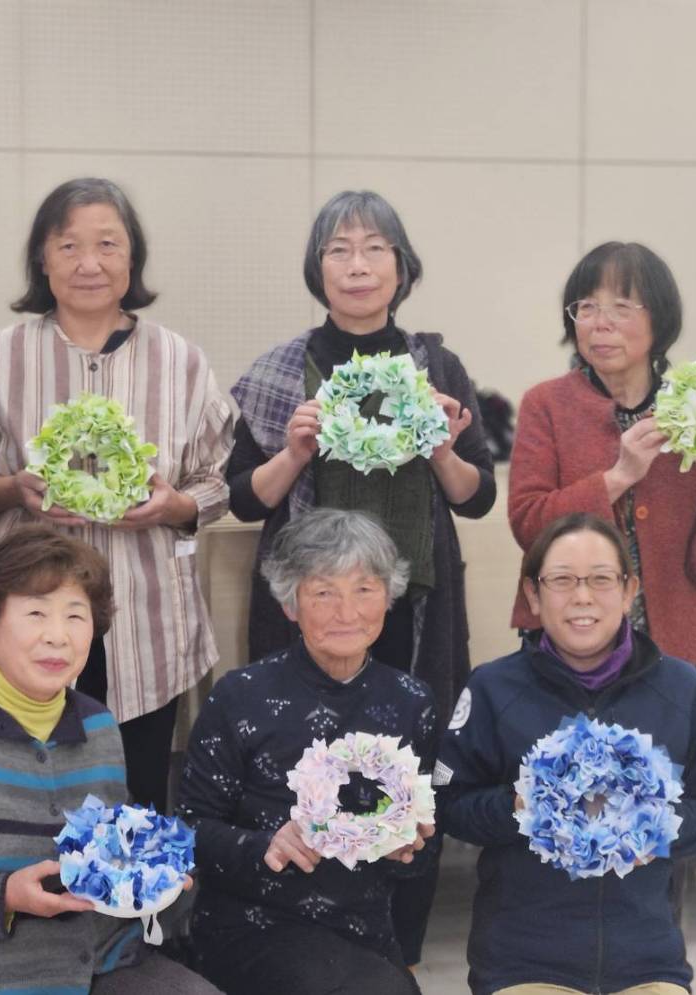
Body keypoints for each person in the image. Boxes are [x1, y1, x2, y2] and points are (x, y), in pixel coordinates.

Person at [226, 189, 494, 965]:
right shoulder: (282, 371)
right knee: (296, 759)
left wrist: (440, 445)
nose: (357, 265)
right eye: (338, 249)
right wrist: (294, 450)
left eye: (375, 248)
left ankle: (394, 949)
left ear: (401, 268)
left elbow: (476, 496)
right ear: (317, 269)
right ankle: (303, 941)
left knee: (409, 769)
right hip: (305, 604)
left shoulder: (435, 366)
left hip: (412, 609)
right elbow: (244, 497)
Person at [0, 177, 234, 812]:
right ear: (42, 259)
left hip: (146, 621)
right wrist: (13, 489)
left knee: (135, 801)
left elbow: (216, 480)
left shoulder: (182, 361)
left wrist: (175, 506)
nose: (88, 263)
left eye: (107, 244)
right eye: (68, 245)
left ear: (132, 257)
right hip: (26, 618)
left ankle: (130, 885)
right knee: (20, 801)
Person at [0, 525, 220, 994]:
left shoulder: (99, 726)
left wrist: (155, 874)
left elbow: (112, 849)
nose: (57, 636)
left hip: (102, 966)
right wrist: (3, 897)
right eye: (35, 613)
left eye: (75, 616)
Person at [436, 512, 696, 995]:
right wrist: (518, 807)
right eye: (561, 580)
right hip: (524, 962)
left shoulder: (681, 687)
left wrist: (658, 824)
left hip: (647, 960)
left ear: (629, 589)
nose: (582, 597)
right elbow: (449, 805)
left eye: (601, 579)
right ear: (533, 594)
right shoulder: (493, 687)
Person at [178, 509, 436, 995]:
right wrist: (267, 845)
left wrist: (407, 848)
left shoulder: (411, 701)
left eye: (365, 589)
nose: (347, 612)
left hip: (362, 927)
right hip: (254, 924)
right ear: (290, 603)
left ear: (389, 596)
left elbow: (424, 854)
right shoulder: (240, 695)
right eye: (323, 593)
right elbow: (190, 828)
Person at [508, 241, 696, 674]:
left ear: (660, 320)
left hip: (673, 657)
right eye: (587, 307)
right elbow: (528, 526)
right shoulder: (546, 405)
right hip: (567, 645)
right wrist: (618, 477)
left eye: (621, 307)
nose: (600, 324)